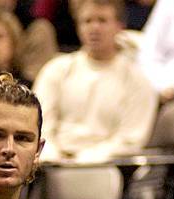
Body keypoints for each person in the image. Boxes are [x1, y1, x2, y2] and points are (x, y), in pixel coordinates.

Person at [33, 0, 158, 164]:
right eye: (87, 21)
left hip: (105, 166)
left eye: (102, 20)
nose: (94, 28)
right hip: (52, 161)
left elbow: (131, 138)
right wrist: (51, 153)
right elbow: (41, 122)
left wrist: (88, 159)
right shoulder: (56, 69)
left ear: (119, 26)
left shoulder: (138, 80)